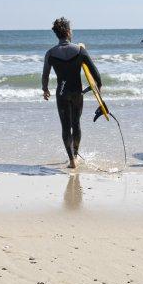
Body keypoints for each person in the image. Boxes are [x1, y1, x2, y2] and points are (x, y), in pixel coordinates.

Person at [42, 16, 102, 170]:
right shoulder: (80, 50)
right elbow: (96, 76)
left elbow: (45, 76)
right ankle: (76, 155)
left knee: (65, 126)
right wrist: (95, 90)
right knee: (76, 124)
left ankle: (72, 160)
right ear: (68, 32)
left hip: (62, 92)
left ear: (57, 34)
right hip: (77, 92)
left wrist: (45, 89)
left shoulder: (50, 53)